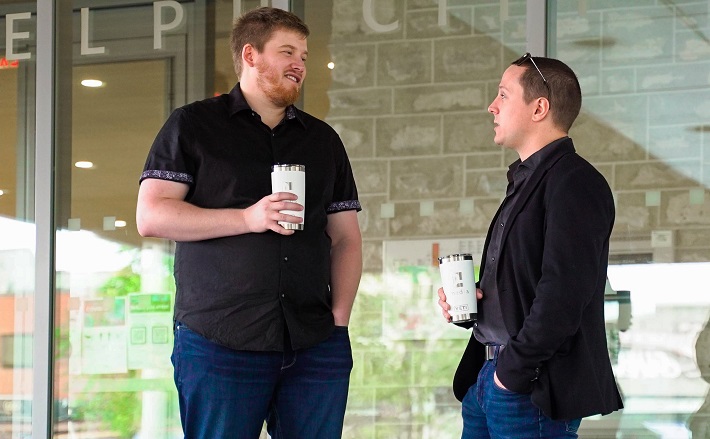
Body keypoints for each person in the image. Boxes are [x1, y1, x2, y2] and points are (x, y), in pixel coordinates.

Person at [135, 7, 362, 439]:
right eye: (287, 51)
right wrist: (247, 217)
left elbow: (346, 238)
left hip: (314, 343)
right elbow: (152, 215)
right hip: (218, 341)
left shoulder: (323, 140)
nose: (300, 64)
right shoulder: (193, 125)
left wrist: (338, 324)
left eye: (305, 56)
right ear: (250, 55)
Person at [437, 53, 623, 438]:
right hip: (489, 380)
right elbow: (526, 285)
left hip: (527, 389)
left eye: (503, 95)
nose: (492, 106)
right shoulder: (526, 181)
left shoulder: (575, 182)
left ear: (539, 108)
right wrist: (475, 305)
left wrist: (512, 374)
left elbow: (564, 294)